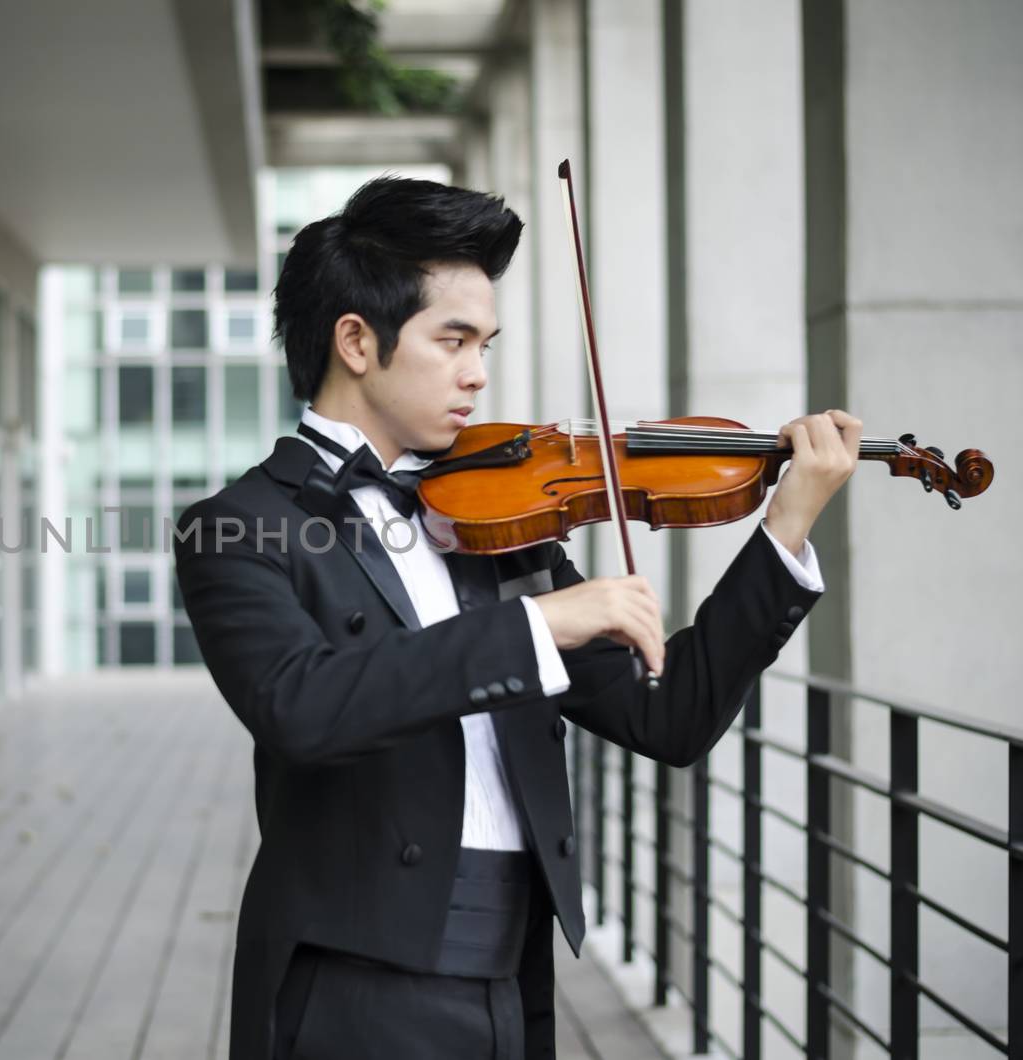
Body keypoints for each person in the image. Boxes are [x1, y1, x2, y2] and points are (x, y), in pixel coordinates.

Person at [172, 176, 860, 1060]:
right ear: (355, 340)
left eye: (486, 343)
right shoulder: (241, 525)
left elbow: (670, 715)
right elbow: (303, 709)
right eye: (452, 340)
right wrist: (538, 626)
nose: (478, 374)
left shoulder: (494, 513)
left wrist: (786, 527)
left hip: (513, 977)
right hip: (352, 984)